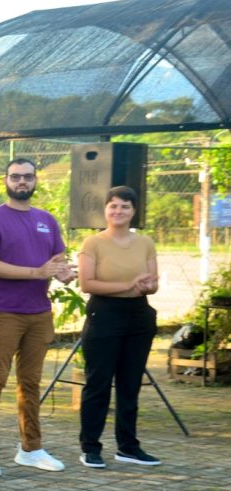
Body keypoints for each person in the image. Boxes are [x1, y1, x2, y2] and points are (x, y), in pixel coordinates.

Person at [0, 158, 76, 476]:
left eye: (27, 177)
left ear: (35, 180)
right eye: (15, 177)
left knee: (30, 383)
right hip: (2, 312)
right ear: (6, 180)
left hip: (38, 312)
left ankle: (31, 449)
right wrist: (36, 272)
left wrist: (64, 272)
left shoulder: (47, 220)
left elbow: (57, 259)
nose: (21, 182)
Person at [77, 187, 161, 468]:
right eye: (113, 206)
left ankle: (128, 447)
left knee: (130, 384)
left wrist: (147, 286)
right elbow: (87, 283)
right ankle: (90, 447)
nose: (119, 211)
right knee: (98, 383)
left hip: (138, 315)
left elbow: (153, 283)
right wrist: (127, 285)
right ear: (105, 210)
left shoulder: (145, 242)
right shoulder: (93, 242)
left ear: (134, 211)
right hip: (104, 314)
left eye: (125, 206)